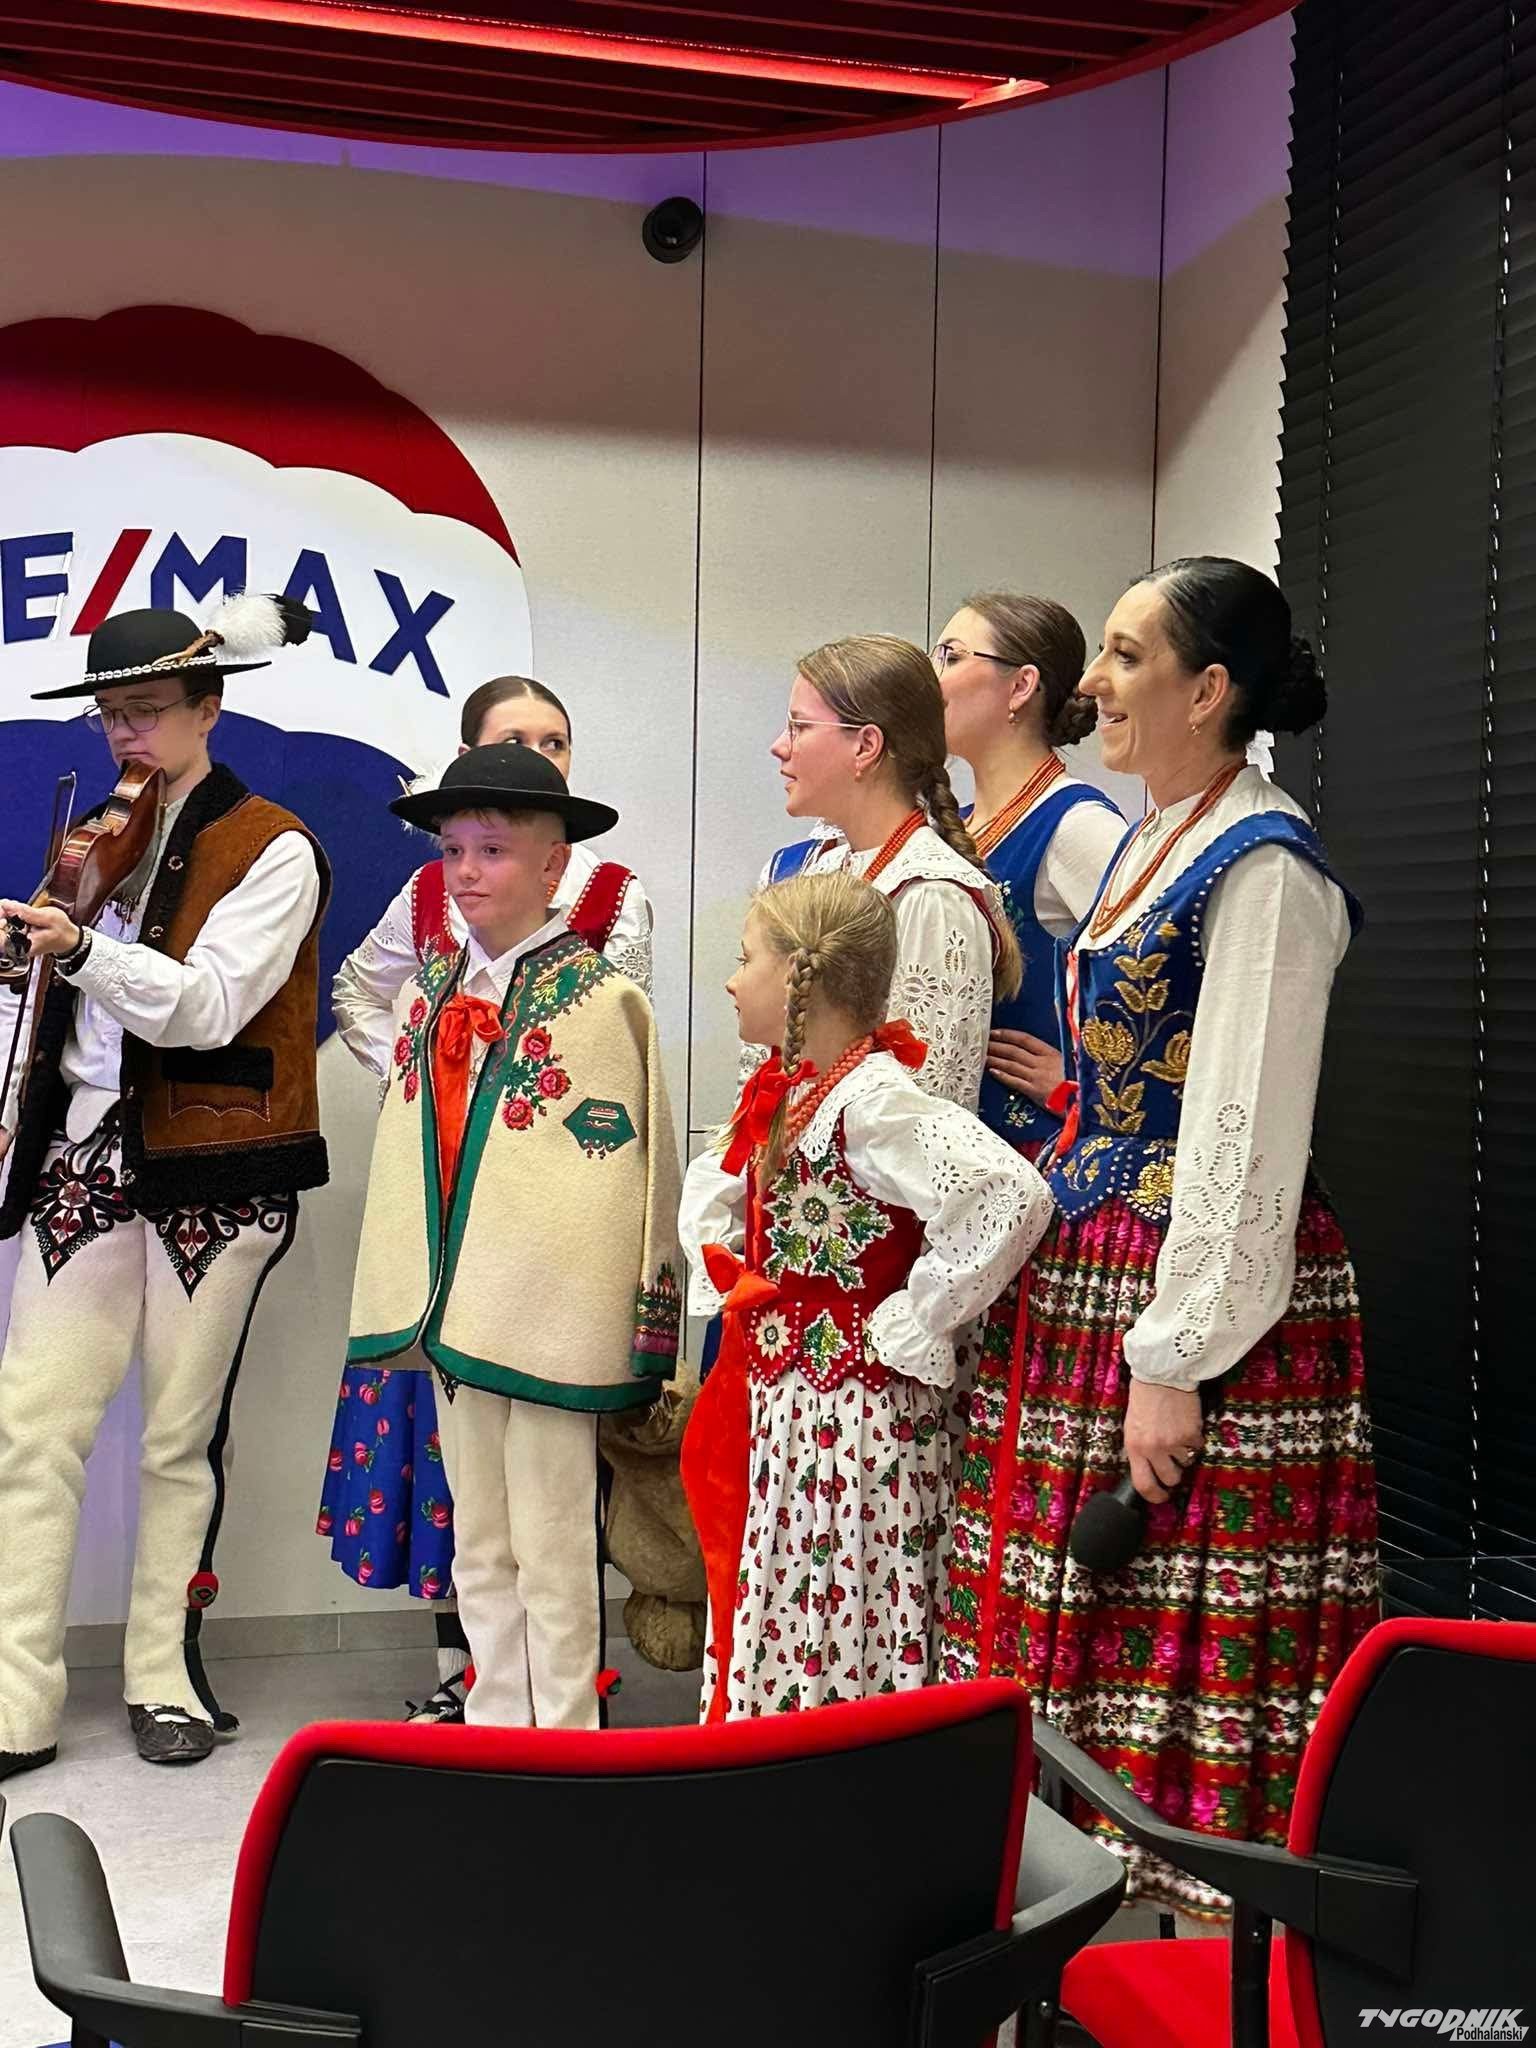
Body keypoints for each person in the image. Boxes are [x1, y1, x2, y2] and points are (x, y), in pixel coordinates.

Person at [941, 558, 1380, 1917]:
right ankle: (1066, 1927)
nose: (1095, 683)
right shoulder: (1157, 836)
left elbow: (1244, 1136)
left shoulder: (1267, 866)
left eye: (1128, 656)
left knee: (1172, 1626)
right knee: (1074, 1619)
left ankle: (1185, 1947)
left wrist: (1179, 1354)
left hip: (1195, 1299)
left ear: (1210, 690)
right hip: (1097, 1267)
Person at [0, 599, 327, 1778]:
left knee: (179, 1438)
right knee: (34, 1423)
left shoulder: (275, 844)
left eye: (146, 710)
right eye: (110, 715)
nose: (125, 734)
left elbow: (209, 1005)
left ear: (208, 707)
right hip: (82, 1152)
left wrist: (83, 948)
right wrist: (22, 968)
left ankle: (161, 1674)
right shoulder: (93, 837)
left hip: (213, 1164)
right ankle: (14, 1695)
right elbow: (56, 1007)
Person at [323, 674, 655, 1722]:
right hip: (454, 1301)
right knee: (478, 1534)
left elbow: (617, 1172)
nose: (467, 872)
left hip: (545, 1314)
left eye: (495, 851)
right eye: (454, 850)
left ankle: (567, 1733)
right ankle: (497, 1720)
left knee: (554, 1537)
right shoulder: (431, 994)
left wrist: (618, 1309)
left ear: (554, 864)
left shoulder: (602, 1000)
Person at [680, 870, 1050, 1720]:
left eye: (745, 959)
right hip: (796, 1410)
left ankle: (841, 1750)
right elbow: (719, 1186)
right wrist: (733, 1266)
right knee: (789, 1588)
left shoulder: (872, 1102)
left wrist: (917, 1312)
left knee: (841, 1592)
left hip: (851, 1423)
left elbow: (1009, 1194)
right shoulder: (802, 1089)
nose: (732, 981)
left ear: (797, 977)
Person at [757, 633, 1020, 1110]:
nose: (779, 746)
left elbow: (925, 1108)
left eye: (799, 727)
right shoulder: (816, 868)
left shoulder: (934, 896)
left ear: (866, 745)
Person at [934, 592, 1125, 1155]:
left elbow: (1159, 984)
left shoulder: (1078, 825)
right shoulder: (956, 823)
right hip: (957, 1146)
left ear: (1020, 686)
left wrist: (1081, 1081)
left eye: (951, 656)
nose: (931, 677)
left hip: (1033, 1154)